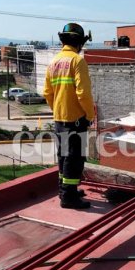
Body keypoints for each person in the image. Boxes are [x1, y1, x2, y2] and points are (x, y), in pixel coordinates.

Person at [43, 23, 95, 209]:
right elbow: (83, 94)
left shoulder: (54, 61)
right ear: (79, 43)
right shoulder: (77, 61)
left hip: (60, 118)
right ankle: (69, 198)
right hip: (76, 119)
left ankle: (65, 190)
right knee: (74, 158)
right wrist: (89, 114)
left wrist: (58, 109)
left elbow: (47, 93)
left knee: (64, 157)